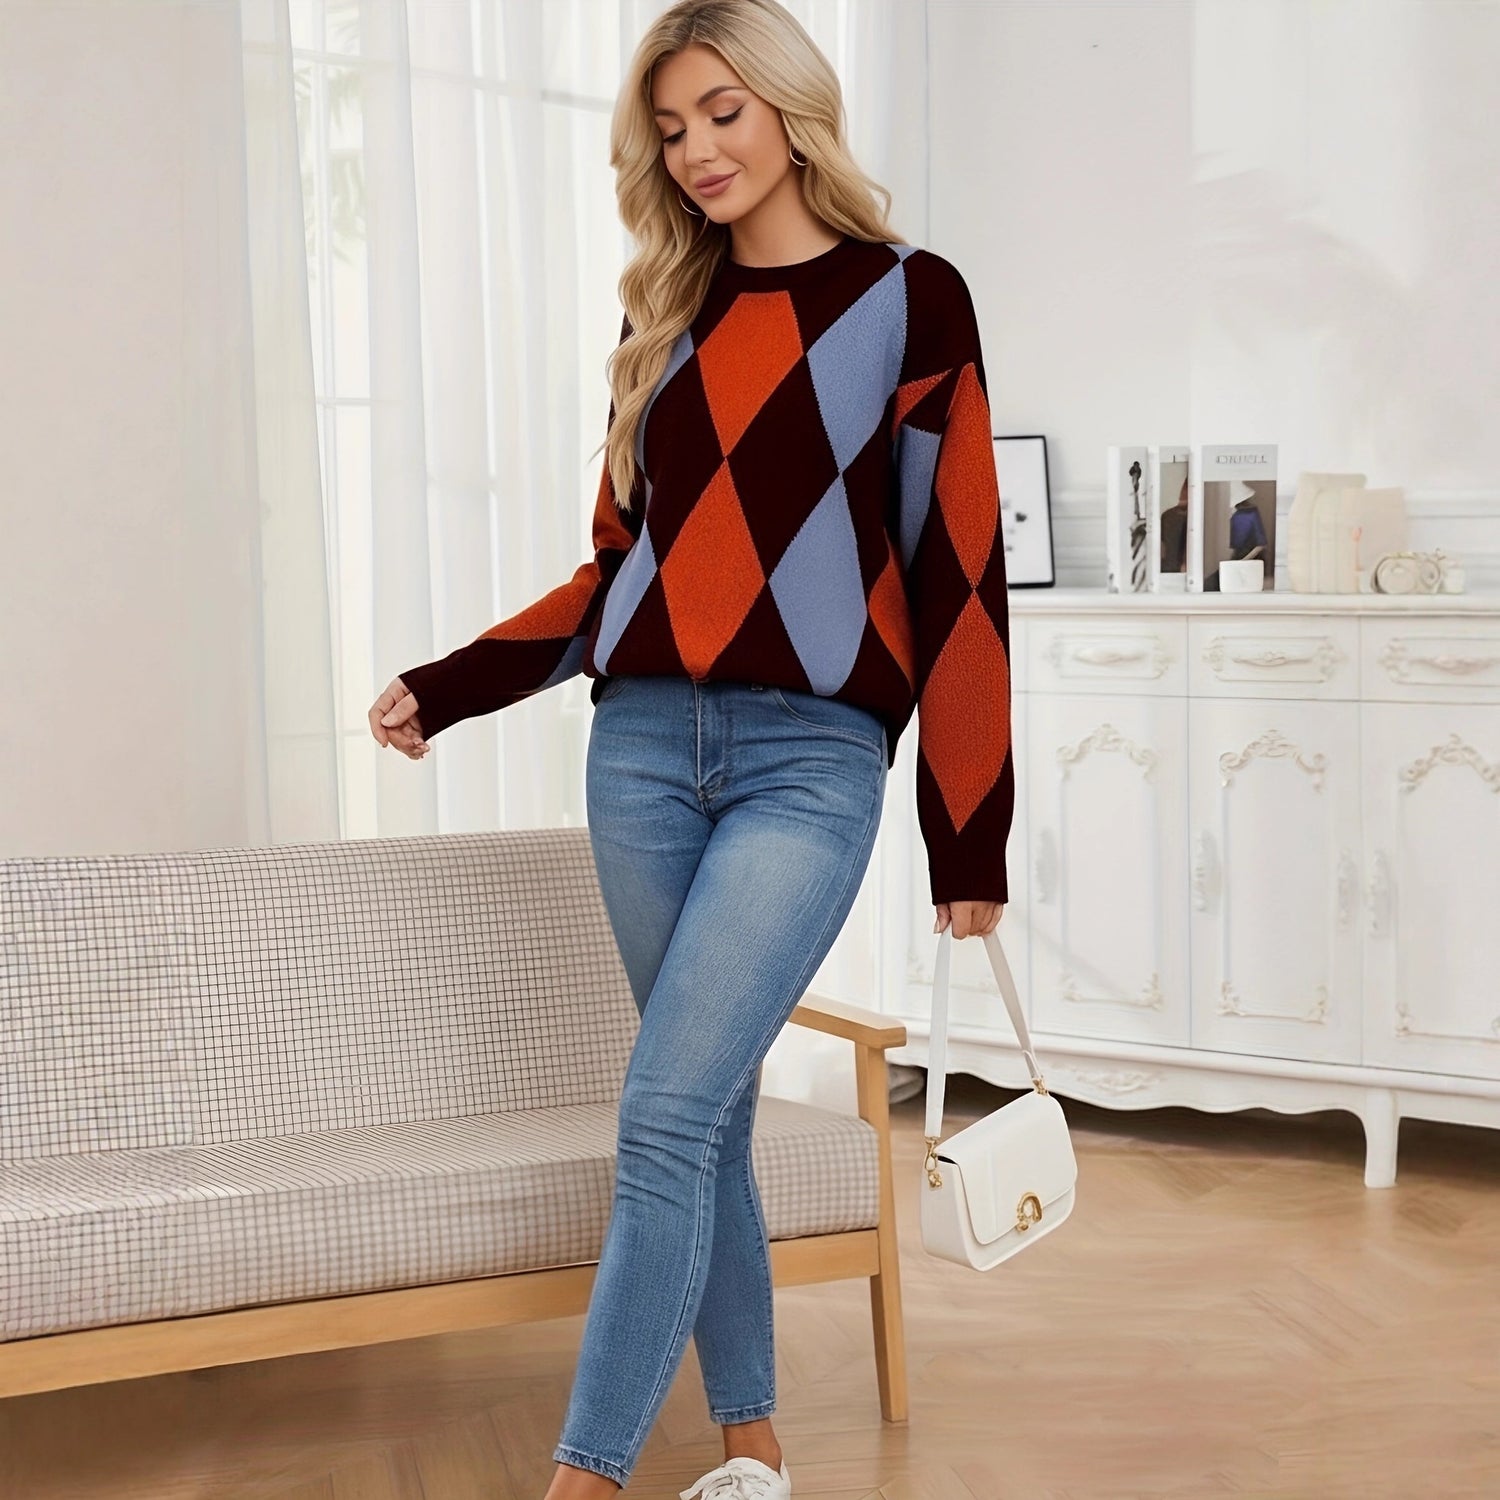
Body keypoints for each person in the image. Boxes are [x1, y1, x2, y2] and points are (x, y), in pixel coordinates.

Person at [366, 4, 1013, 1496]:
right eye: (669, 128)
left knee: (659, 1110)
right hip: (643, 752)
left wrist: (965, 827)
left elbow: (959, 574)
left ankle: (582, 1478)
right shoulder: (666, 315)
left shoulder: (914, 302)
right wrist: (453, 682)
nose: (699, 149)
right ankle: (750, 1445)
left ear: (791, 107)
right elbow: (623, 575)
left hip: (810, 762)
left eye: (723, 110)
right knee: (701, 1102)